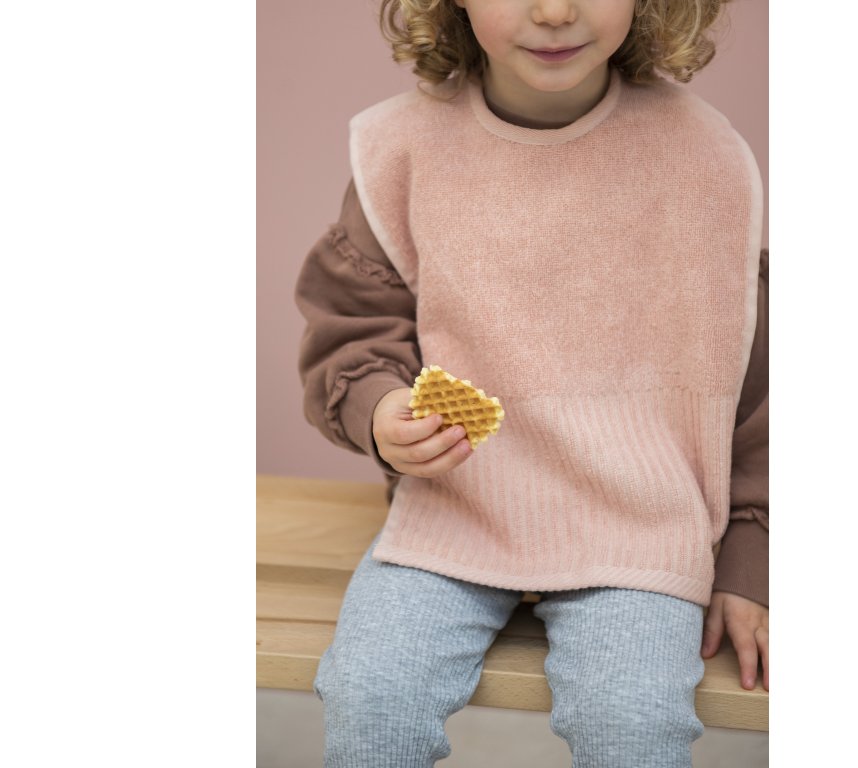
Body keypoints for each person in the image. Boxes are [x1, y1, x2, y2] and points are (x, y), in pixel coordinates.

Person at [294, 1, 767, 765]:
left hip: (641, 524)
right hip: (457, 510)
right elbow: (354, 324)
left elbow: (757, 389)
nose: (554, 11)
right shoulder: (403, 149)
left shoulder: (703, 158)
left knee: (632, 721)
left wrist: (752, 551)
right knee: (371, 694)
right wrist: (381, 408)